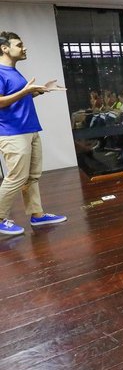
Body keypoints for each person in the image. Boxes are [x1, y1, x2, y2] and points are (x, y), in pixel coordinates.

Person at [0, 31, 68, 235]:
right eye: (19, 45)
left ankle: (37, 215)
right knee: (15, 178)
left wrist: (39, 90)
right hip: (13, 133)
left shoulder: (13, 71)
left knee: (32, 177)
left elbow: (16, 100)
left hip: (30, 129)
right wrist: (25, 91)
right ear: (4, 48)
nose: (24, 48)